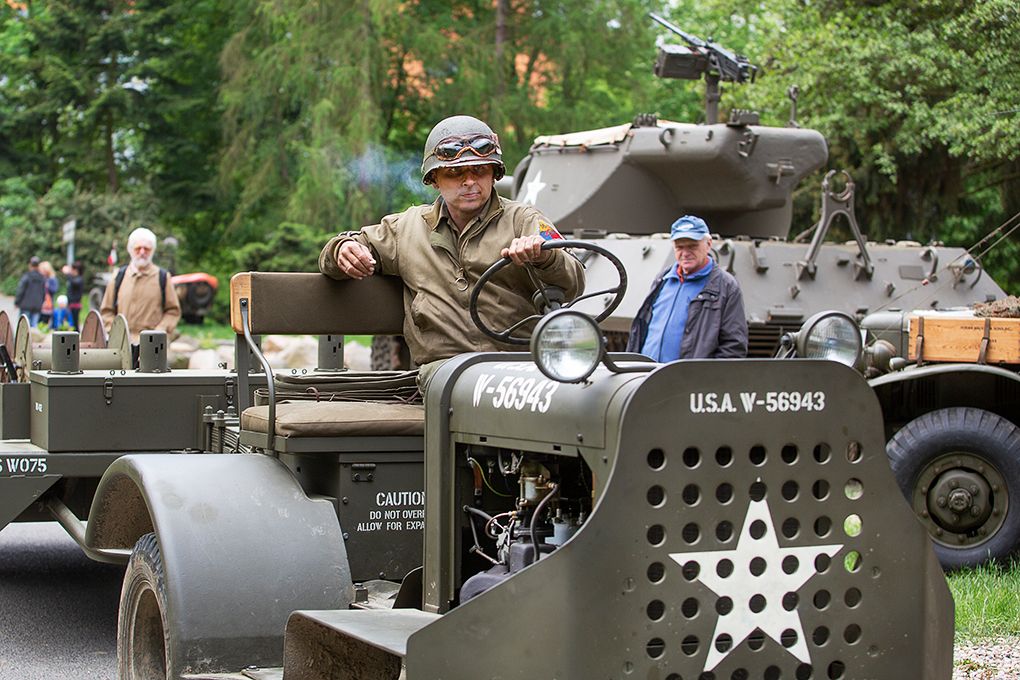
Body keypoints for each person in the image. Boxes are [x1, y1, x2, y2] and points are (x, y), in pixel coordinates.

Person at [319, 115, 584, 381]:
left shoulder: (524, 220)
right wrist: (342, 249)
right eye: (455, 173)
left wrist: (545, 257)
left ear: (494, 174)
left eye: (479, 170)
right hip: (444, 372)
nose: (469, 181)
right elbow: (345, 248)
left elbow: (574, 281)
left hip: (518, 369)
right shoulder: (407, 228)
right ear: (434, 179)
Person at [627, 215, 748, 360]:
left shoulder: (726, 286)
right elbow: (641, 328)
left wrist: (701, 380)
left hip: (688, 380)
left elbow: (734, 346)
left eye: (692, 246)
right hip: (647, 374)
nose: (685, 253)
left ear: (708, 244)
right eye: (679, 247)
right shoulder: (664, 279)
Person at [100, 227, 181, 360]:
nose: (142, 252)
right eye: (138, 248)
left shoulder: (162, 277)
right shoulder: (118, 277)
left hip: (153, 348)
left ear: (152, 251)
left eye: (147, 249)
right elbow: (106, 311)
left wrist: (159, 332)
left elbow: (173, 311)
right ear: (130, 250)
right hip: (121, 348)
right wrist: (116, 332)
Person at [14, 256, 47, 327]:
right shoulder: (42, 278)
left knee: (23, 327)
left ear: (30, 265)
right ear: (38, 266)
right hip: (37, 306)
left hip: (25, 305)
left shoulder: (27, 276)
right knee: (33, 328)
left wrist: (17, 302)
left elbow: (20, 289)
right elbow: (44, 292)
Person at [62, 261, 85, 330]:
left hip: (75, 305)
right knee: (70, 323)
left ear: (76, 270)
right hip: (70, 304)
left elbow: (74, 283)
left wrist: (68, 273)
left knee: (75, 323)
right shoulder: (74, 278)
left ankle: (76, 337)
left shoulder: (79, 279)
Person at [38, 260, 59, 327]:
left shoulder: (52, 279)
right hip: (39, 303)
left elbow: (54, 290)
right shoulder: (41, 278)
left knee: (44, 322)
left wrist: (48, 286)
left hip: (47, 304)